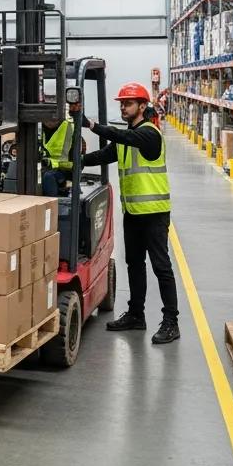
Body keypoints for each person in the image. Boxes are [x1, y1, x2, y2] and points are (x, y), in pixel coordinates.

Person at [82, 81, 179, 345]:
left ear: (143, 106)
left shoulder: (149, 134)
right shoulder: (128, 137)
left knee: (161, 267)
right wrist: (74, 163)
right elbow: (106, 154)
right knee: (134, 264)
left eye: (128, 103)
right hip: (133, 213)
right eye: (122, 103)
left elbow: (123, 137)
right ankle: (137, 315)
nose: (123, 107)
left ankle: (171, 322)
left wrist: (92, 125)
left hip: (155, 213)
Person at [41, 99, 81, 197]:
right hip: (41, 169)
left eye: (54, 113)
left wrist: (52, 163)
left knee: (48, 177)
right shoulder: (33, 127)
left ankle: (51, 208)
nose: (50, 118)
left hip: (64, 174)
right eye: (46, 113)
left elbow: (77, 164)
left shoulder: (71, 130)